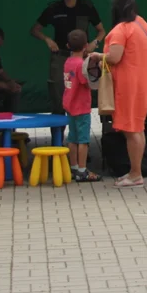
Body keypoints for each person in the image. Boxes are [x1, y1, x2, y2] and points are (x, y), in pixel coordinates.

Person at [30, 0, 105, 115]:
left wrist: (94, 43)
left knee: (81, 94)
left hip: (82, 57)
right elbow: (35, 30)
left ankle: (79, 133)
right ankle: (57, 134)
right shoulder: (54, 9)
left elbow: (101, 31)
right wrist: (47, 39)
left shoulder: (87, 8)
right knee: (58, 94)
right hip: (60, 57)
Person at [104, 0, 147, 188]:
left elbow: (114, 57)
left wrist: (96, 56)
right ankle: (135, 171)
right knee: (137, 127)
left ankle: (136, 174)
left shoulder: (121, 29)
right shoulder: (142, 24)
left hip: (129, 84)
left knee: (130, 129)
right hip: (145, 81)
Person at [62, 29, 102, 182]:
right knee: (83, 140)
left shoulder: (68, 62)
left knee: (72, 138)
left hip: (70, 105)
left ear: (67, 45)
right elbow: (86, 82)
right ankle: (82, 170)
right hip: (81, 107)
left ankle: (73, 167)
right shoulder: (81, 64)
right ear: (86, 45)